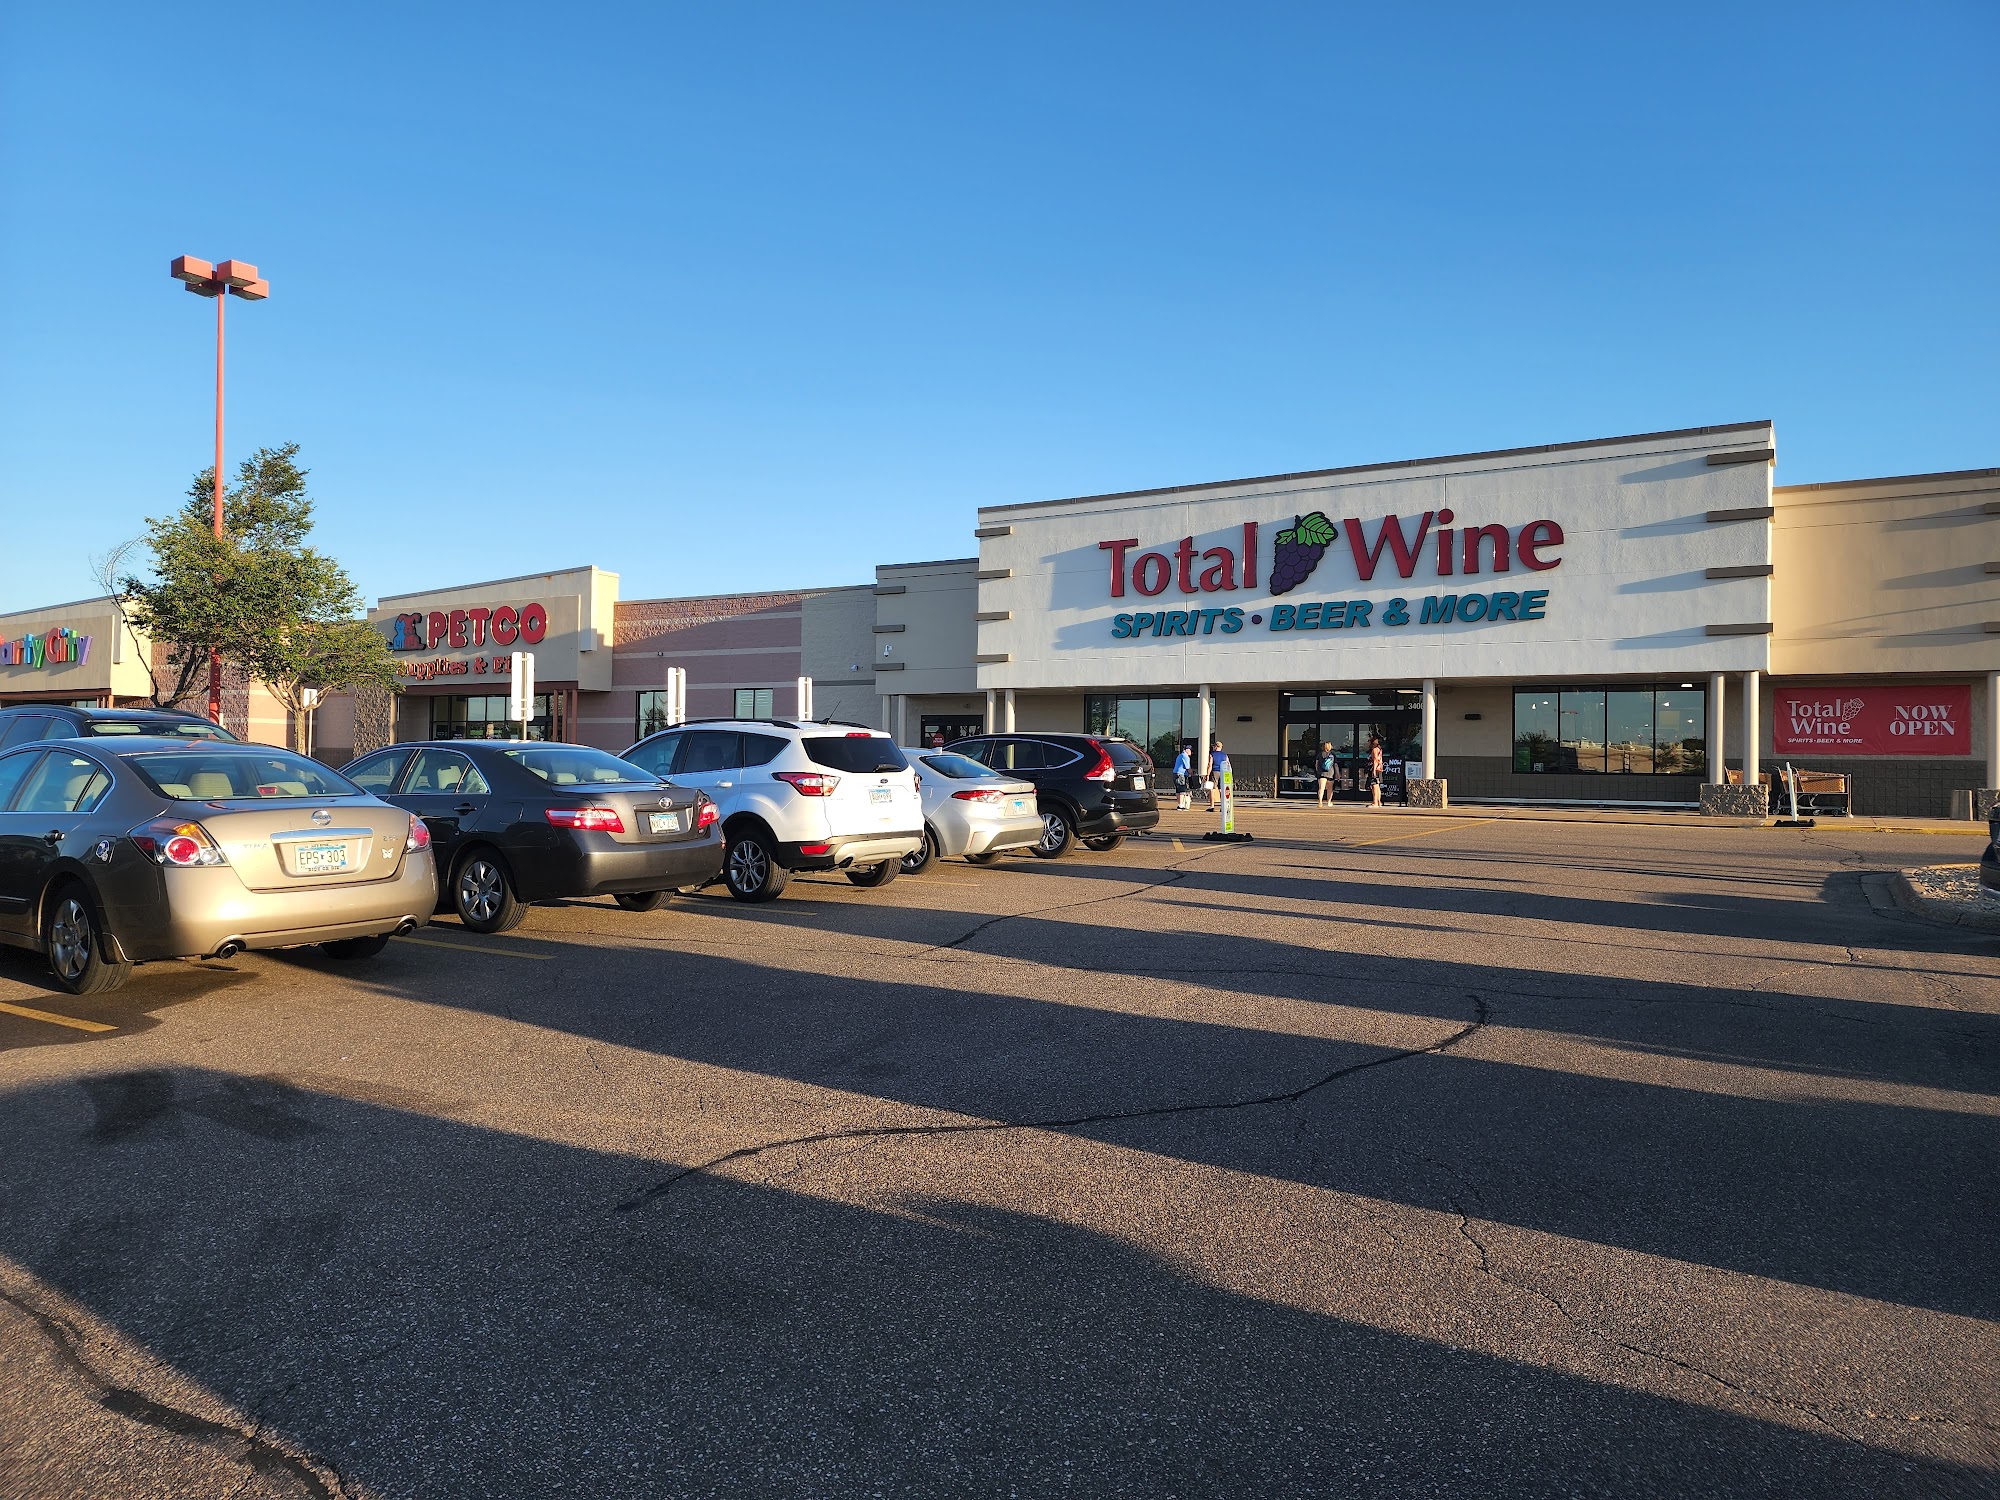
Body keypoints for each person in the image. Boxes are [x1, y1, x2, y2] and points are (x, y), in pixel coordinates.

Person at [1206, 738, 1229, 810]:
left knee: (1212, 789)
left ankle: (1212, 806)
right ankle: (1223, 806)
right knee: (1221, 789)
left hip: (1214, 772)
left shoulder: (1212, 754)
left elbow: (1210, 765)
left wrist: (1207, 774)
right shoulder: (1225, 755)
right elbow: (1227, 764)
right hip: (1223, 772)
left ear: (1216, 746)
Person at [1171, 741, 1193, 810]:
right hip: (1181, 774)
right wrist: (1191, 773)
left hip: (1175, 773)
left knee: (1178, 790)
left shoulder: (1180, 755)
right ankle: (1181, 805)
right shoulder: (1185, 756)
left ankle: (1179, 804)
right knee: (1182, 789)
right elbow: (1188, 767)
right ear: (1187, 750)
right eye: (1191, 751)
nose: (1191, 753)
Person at [1316, 740, 1337, 807]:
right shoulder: (1332, 755)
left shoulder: (1320, 754)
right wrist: (1337, 773)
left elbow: (1316, 764)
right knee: (1330, 789)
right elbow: (1335, 765)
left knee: (1321, 788)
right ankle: (1329, 802)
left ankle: (1320, 802)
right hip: (1330, 773)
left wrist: (1317, 771)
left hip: (1321, 773)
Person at [1368, 734, 1385, 809]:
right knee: (1377, 786)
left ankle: (1375, 802)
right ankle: (1378, 802)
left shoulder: (1374, 749)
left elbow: (1375, 760)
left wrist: (1374, 770)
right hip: (1379, 768)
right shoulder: (1379, 749)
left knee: (1374, 785)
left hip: (1375, 768)